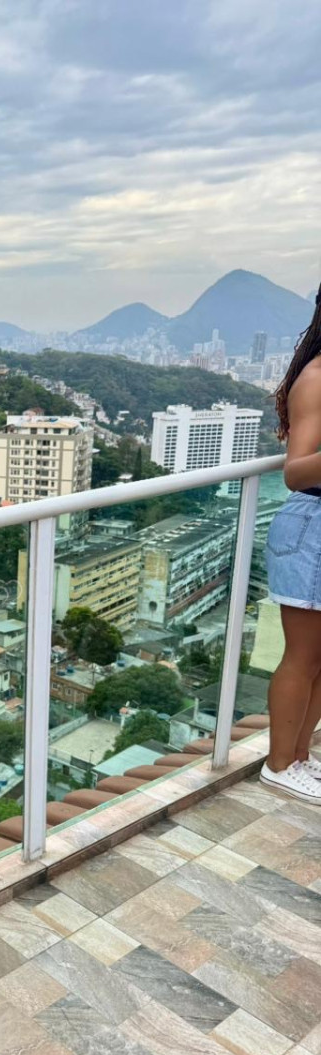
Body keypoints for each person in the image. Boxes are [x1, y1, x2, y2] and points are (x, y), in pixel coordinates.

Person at [260, 285, 321, 805]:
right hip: (311, 527)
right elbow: (295, 472)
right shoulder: (317, 378)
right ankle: (279, 764)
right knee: (302, 656)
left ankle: (300, 756)